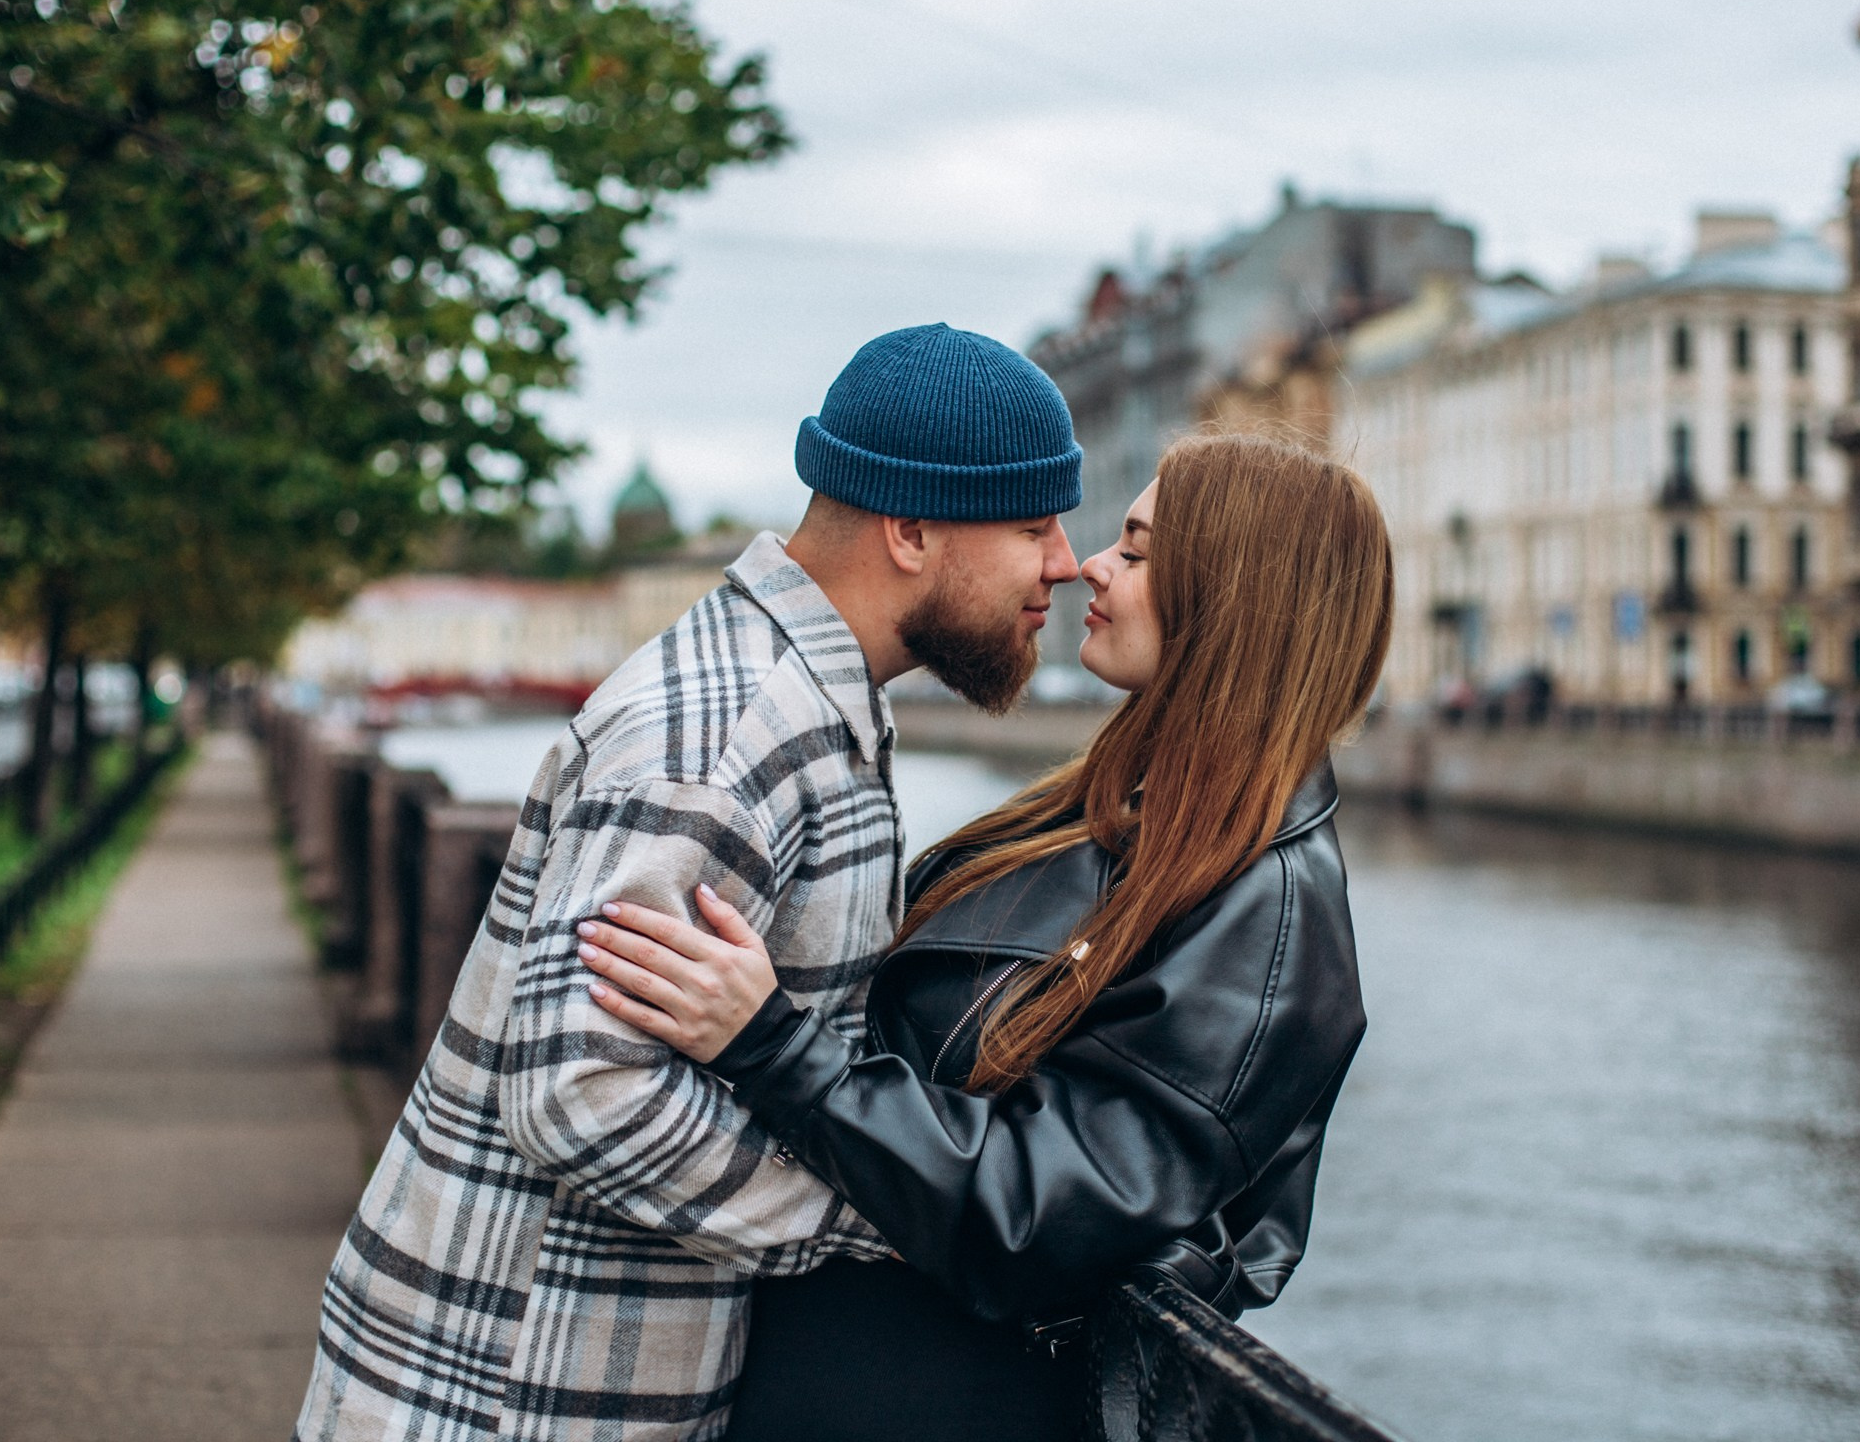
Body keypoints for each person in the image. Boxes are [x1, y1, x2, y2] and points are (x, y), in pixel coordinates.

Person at [294, 323, 1083, 1442]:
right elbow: (582, 1091)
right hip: (506, 1394)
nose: (1066, 561)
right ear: (912, 529)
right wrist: (888, 1220)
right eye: (1033, 524)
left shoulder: (803, 701)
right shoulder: (723, 733)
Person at [577, 430, 1390, 1442]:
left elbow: (1048, 1212)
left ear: (1234, 601)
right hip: (849, 1378)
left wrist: (769, 1043)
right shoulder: (1103, 808)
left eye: (1135, 554)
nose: (1088, 562)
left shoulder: (1269, 913)